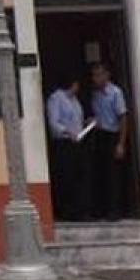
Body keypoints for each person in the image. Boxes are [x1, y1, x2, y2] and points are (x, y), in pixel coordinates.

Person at [89, 62, 129, 220]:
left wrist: (121, 143)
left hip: (113, 135)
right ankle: (101, 210)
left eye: (99, 74)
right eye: (94, 75)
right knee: (100, 173)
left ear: (107, 75)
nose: (96, 78)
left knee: (114, 176)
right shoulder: (94, 94)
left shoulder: (115, 93)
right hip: (99, 135)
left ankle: (116, 211)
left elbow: (123, 117)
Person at [45, 75, 88, 221]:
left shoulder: (74, 100)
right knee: (66, 177)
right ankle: (66, 212)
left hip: (77, 142)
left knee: (78, 176)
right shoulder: (56, 98)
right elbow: (53, 122)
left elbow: (77, 120)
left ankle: (79, 211)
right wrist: (68, 132)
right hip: (63, 144)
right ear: (72, 83)